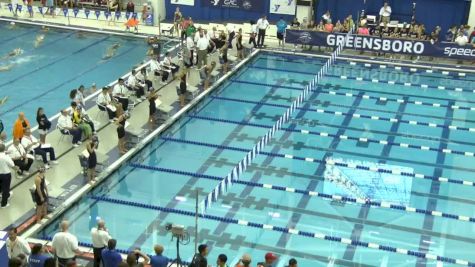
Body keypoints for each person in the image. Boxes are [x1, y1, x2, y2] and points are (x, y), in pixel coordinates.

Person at [0, 143, 15, 208]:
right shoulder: (6, 157)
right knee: (6, 189)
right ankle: (4, 204)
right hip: (5, 174)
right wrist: (17, 169)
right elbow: (12, 165)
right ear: (4, 149)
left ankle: (2, 194)